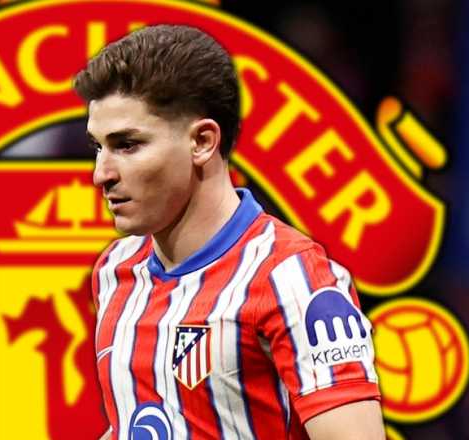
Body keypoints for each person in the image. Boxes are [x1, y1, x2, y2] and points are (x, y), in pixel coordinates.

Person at [75, 24, 384, 440]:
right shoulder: (115, 269)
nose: (101, 174)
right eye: (98, 147)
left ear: (203, 141)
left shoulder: (293, 279)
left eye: (127, 145)